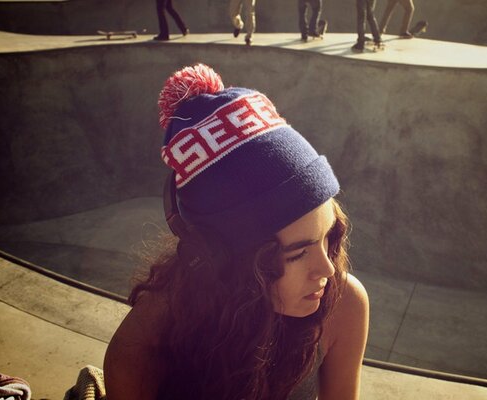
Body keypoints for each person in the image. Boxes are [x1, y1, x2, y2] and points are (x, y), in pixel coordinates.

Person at [104, 64, 369, 400]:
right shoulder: (142, 349)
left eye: (328, 237)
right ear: (224, 261)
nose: (328, 270)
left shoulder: (343, 304)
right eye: (298, 252)